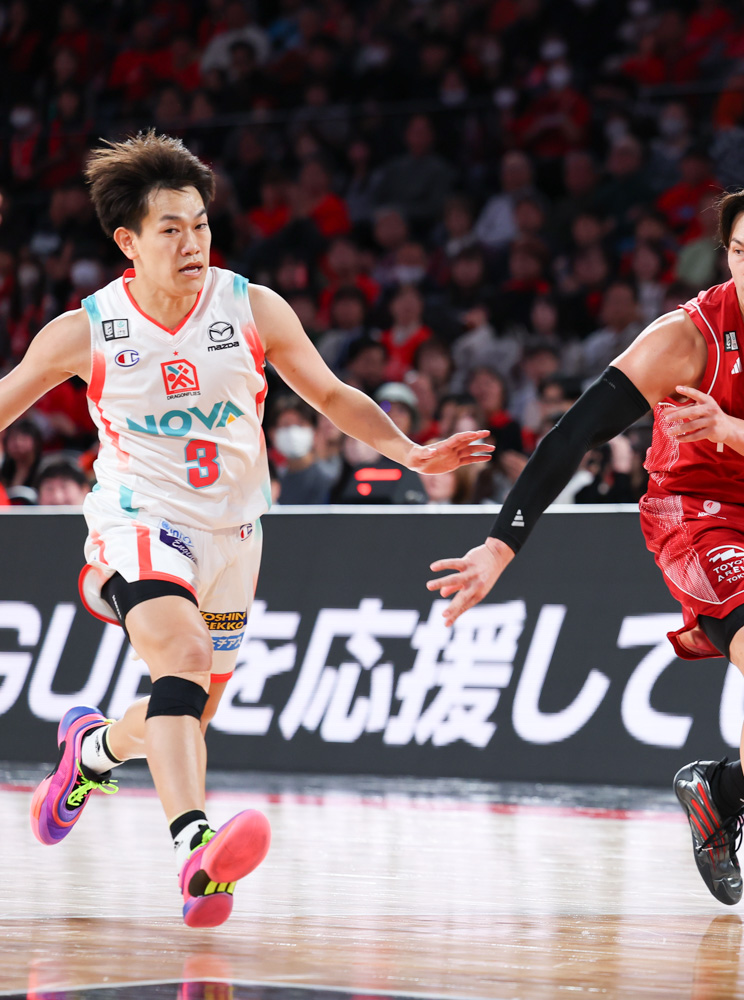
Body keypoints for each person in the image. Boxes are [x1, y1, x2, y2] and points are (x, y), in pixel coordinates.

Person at [6, 132, 491, 928]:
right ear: (128, 241)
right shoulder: (86, 331)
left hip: (234, 534)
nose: (192, 242)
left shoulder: (250, 306)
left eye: (200, 225)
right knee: (183, 656)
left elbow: (330, 394)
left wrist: (409, 450)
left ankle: (91, 751)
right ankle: (195, 851)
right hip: (139, 519)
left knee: (185, 712)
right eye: (171, 229)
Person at [426, 175, 744, 943]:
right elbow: (572, 435)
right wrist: (502, 544)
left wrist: (730, 429)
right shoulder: (687, 337)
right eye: (738, 250)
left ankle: (721, 788)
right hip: (697, 515)